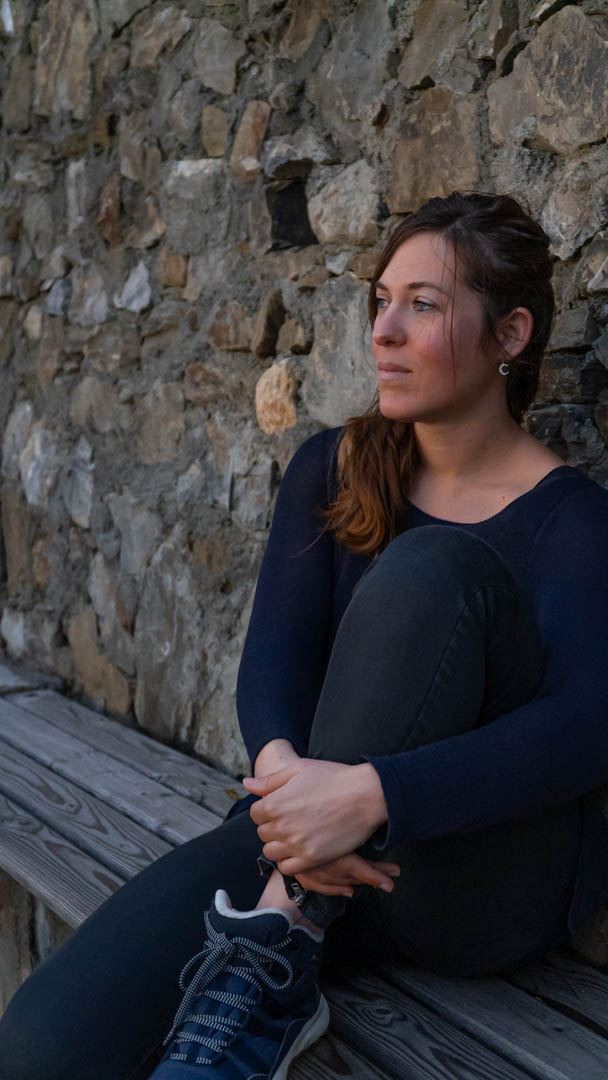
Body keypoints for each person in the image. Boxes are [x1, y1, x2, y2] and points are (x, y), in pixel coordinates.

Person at [1, 190, 608, 1080]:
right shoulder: (335, 468)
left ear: (510, 335)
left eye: (423, 305)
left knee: (434, 570)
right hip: (305, 838)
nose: (384, 331)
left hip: (471, 891)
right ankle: (286, 930)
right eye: (381, 301)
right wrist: (287, 782)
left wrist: (375, 795)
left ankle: (277, 952)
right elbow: (273, 667)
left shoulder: (576, 523)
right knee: (40, 1047)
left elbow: (583, 729)